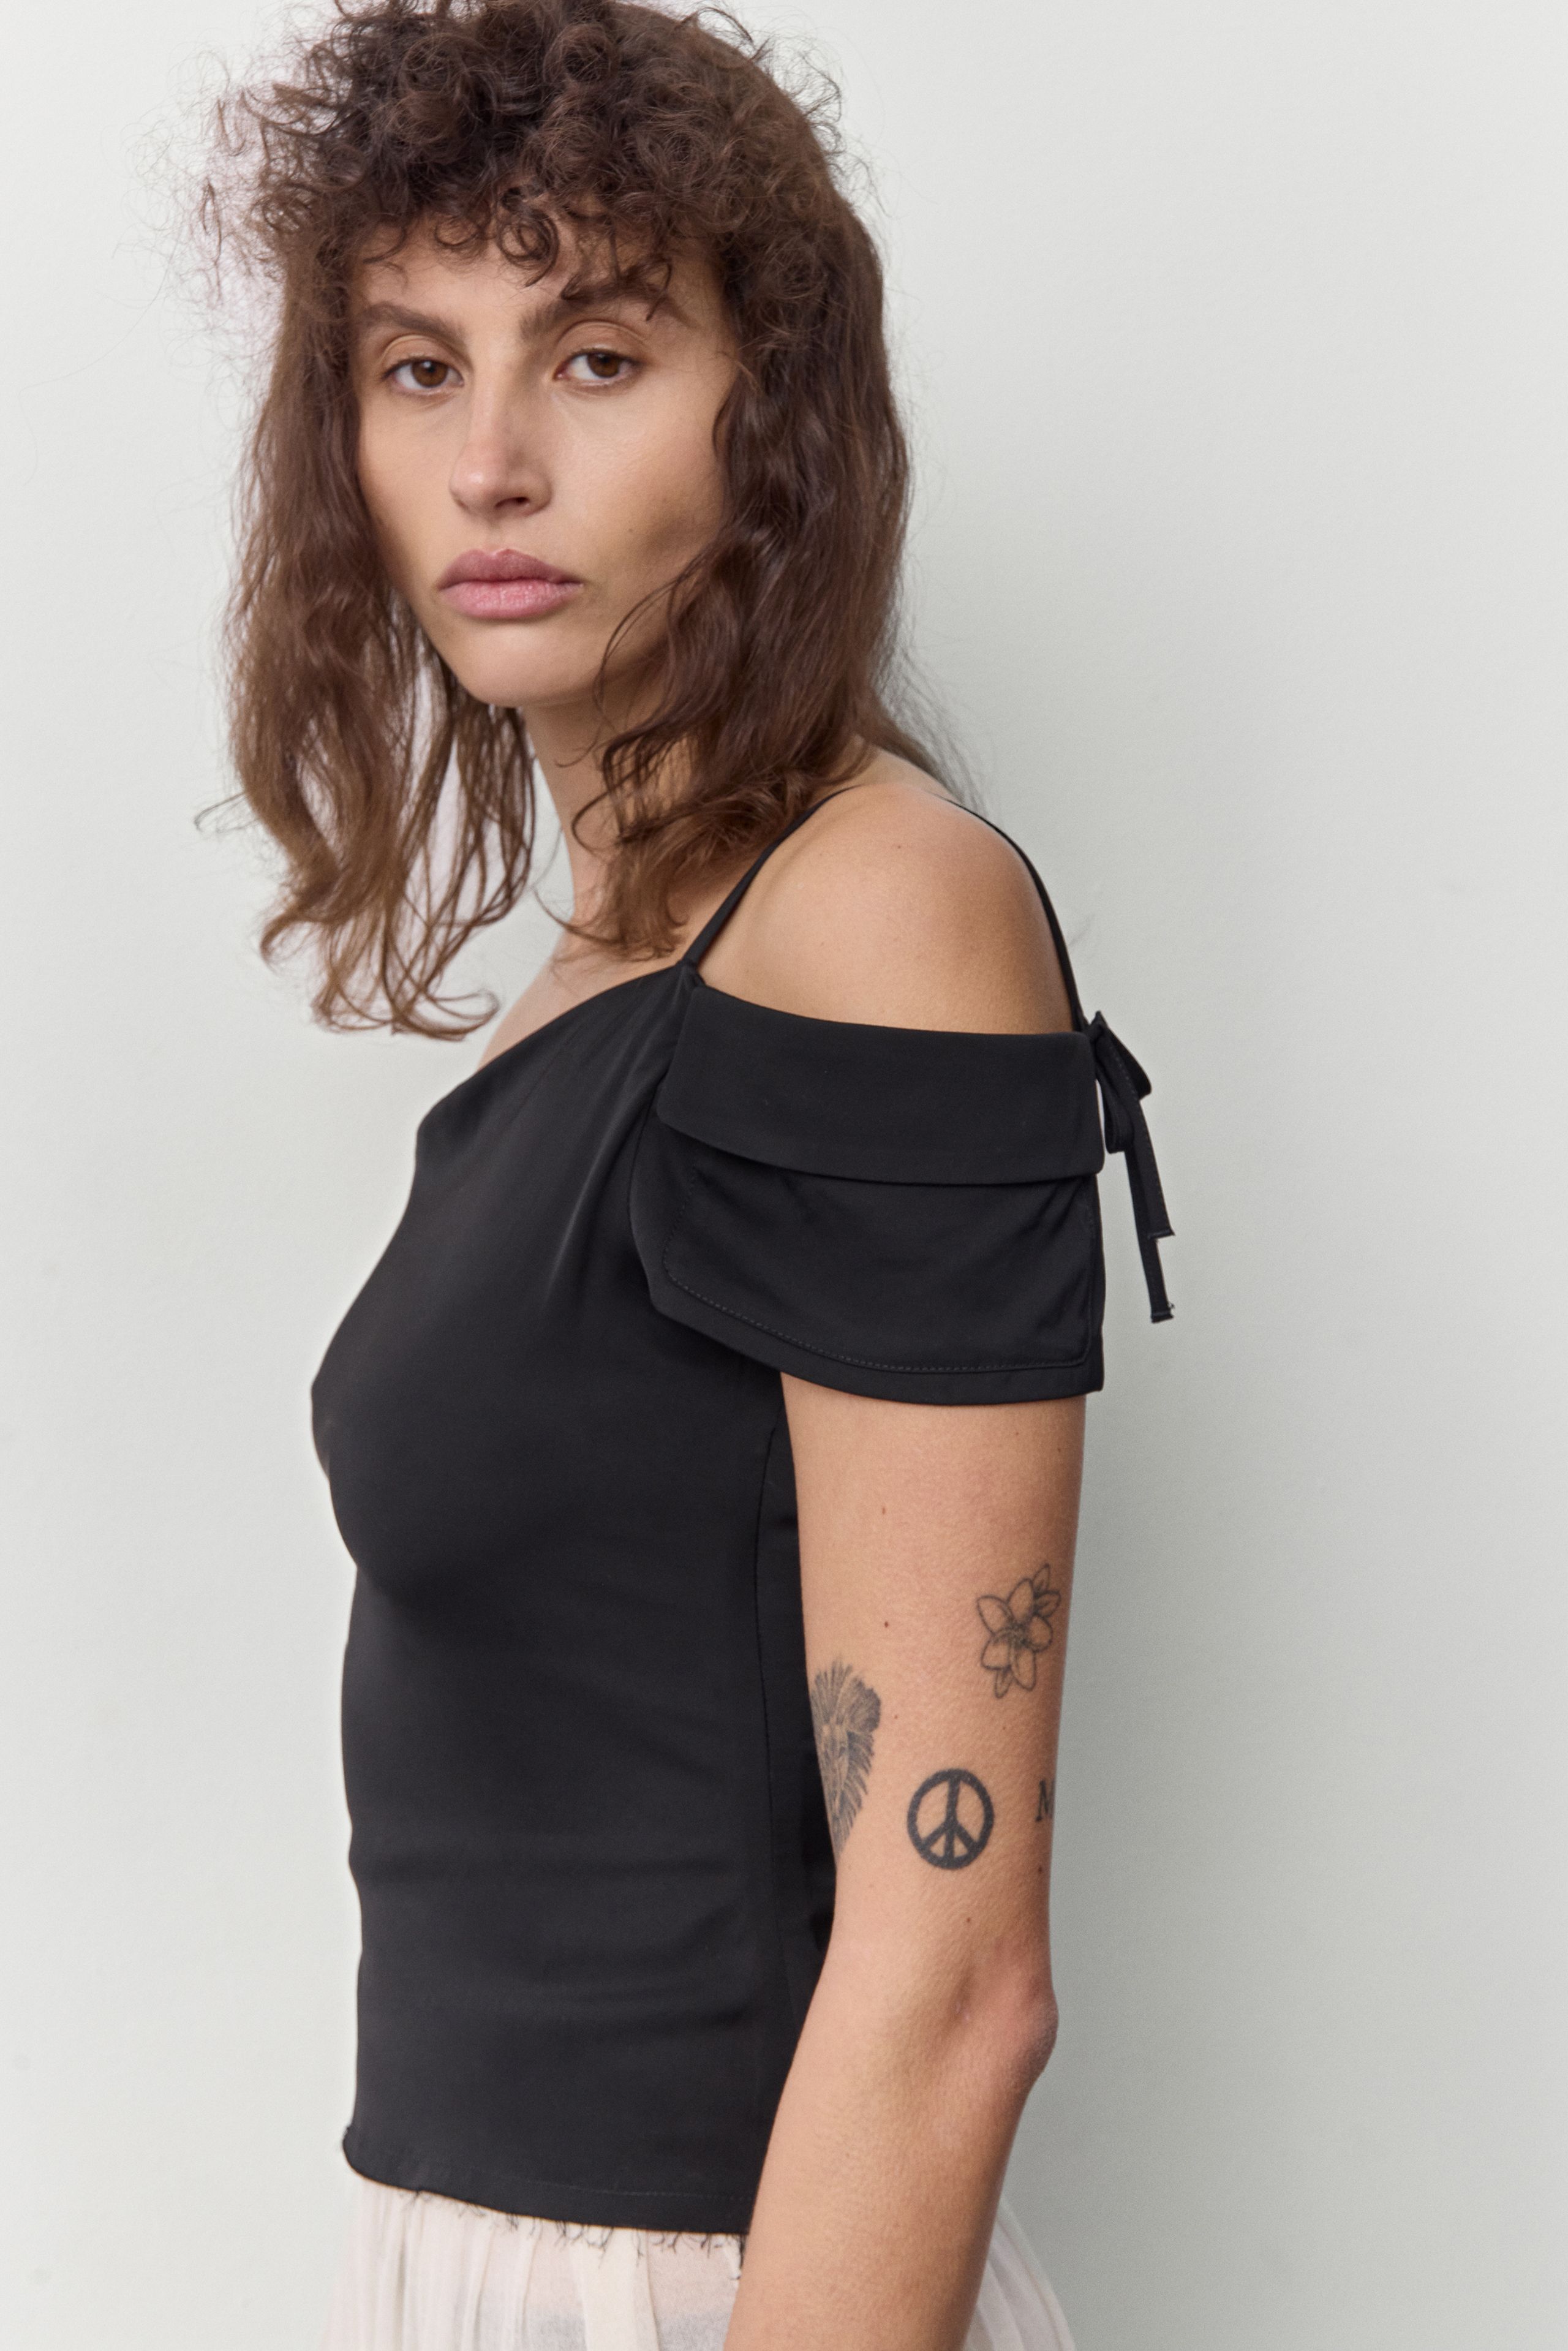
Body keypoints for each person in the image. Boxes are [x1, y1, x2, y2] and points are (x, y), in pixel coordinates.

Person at [204, 2, 1171, 2344]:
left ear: (778, 422)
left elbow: (957, 1975)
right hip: (484, 2260)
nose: (492, 463)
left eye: (600, 357)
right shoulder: (607, 975)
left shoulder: (881, 920)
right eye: (418, 369)